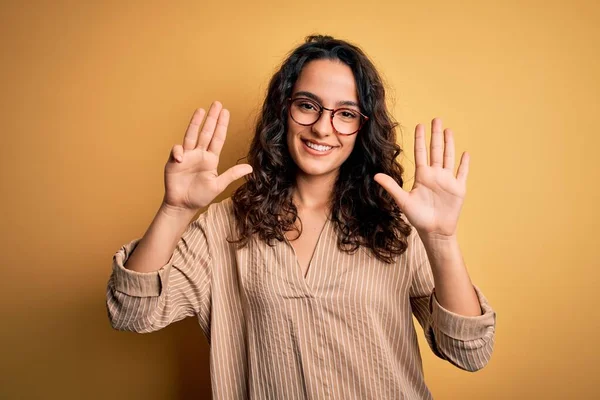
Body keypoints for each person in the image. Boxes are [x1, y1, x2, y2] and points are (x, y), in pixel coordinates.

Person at [106, 35, 496, 399]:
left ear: (363, 127)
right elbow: (131, 311)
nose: (323, 128)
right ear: (284, 109)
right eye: (308, 105)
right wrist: (175, 211)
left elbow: (469, 352)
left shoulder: (398, 224)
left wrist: (442, 240)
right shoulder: (224, 226)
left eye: (345, 113)